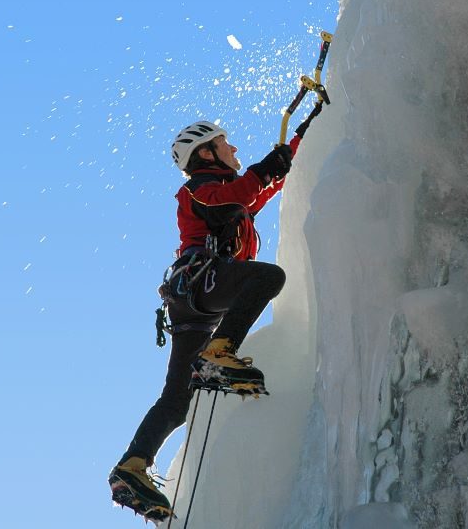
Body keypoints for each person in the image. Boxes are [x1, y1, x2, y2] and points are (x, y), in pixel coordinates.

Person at [108, 103, 323, 521]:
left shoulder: (224, 198)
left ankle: (131, 467)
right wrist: (262, 170)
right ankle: (219, 353)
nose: (234, 147)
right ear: (206, 154)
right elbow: (235, 196)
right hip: (203, 285)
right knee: (266, 278)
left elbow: (257, 192)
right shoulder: (199, 192)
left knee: (176, 401)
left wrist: (298, 141)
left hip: (194, 305)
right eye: (225, 144)